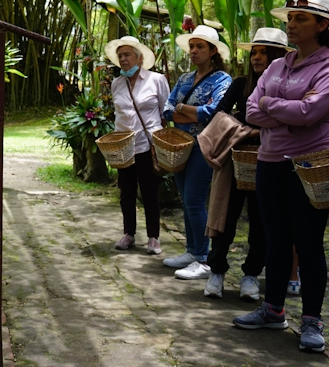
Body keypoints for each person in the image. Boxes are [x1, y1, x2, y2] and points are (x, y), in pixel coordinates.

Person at [233, 0, 329, 354]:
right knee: (276, 239)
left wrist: (274, 104)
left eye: (302, 18)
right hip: (269, 161)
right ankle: (273, 309)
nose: (292, 23)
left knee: (310, 244)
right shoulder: (278, 64)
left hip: (312, 166)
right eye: (291, 17)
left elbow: (310, 114)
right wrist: (285, 106)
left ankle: (312, 320)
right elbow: (252, 110)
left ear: (322, 25)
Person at [201, 28, 291, 300]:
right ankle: (216, 271)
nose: (257, 57)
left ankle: (251, 275)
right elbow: (221, 113)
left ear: (277, 57)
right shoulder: (241, 84)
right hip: (234, 160)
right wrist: (250, 127)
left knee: (262, 222)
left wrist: (249, 122)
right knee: (224, 216)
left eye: (264, 52)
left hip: (271, 160)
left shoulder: (287, 87)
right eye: (255, 52)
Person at [161, 25, 232, 278]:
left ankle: (203, 258)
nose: (193, 51)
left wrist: (183, 109)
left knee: (194, 200)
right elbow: (167, 110)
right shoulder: (183, 79)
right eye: (192, 46)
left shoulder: (223, 80)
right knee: (186, 199)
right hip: (179, 146)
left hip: (204, 146)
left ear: (213, 51)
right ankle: (192, 250)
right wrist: (188, 110)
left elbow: (212, 113)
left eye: (200, 46)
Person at [105, 36, 170, 254]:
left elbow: (164, 113)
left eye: (127, 55)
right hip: (123, 146)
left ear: (139, 58)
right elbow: (118, 115)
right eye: (120, 55)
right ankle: (129, 234)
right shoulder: (117, 83)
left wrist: (161, 141)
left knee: (150, 191)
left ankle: (153, 237)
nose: (123, 59)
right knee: (126, 192)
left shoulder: (156, 80)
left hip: (147, 144)